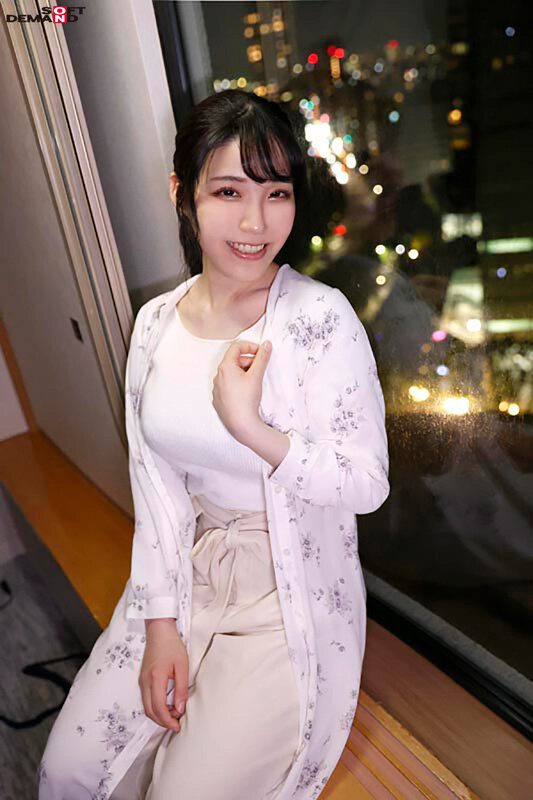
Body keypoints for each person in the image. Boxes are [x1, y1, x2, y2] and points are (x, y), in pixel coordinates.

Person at [38, 89, 389, 800]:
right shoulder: (154, 323)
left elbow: (366, 484)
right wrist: (161, 625)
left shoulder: (320, 319)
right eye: (228, 192)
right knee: (69, 770)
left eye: (276, 193)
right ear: (183, 193)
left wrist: (253, 429)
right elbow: (157, 488)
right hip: (189, 569)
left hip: (285, 593)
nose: (255, 222)